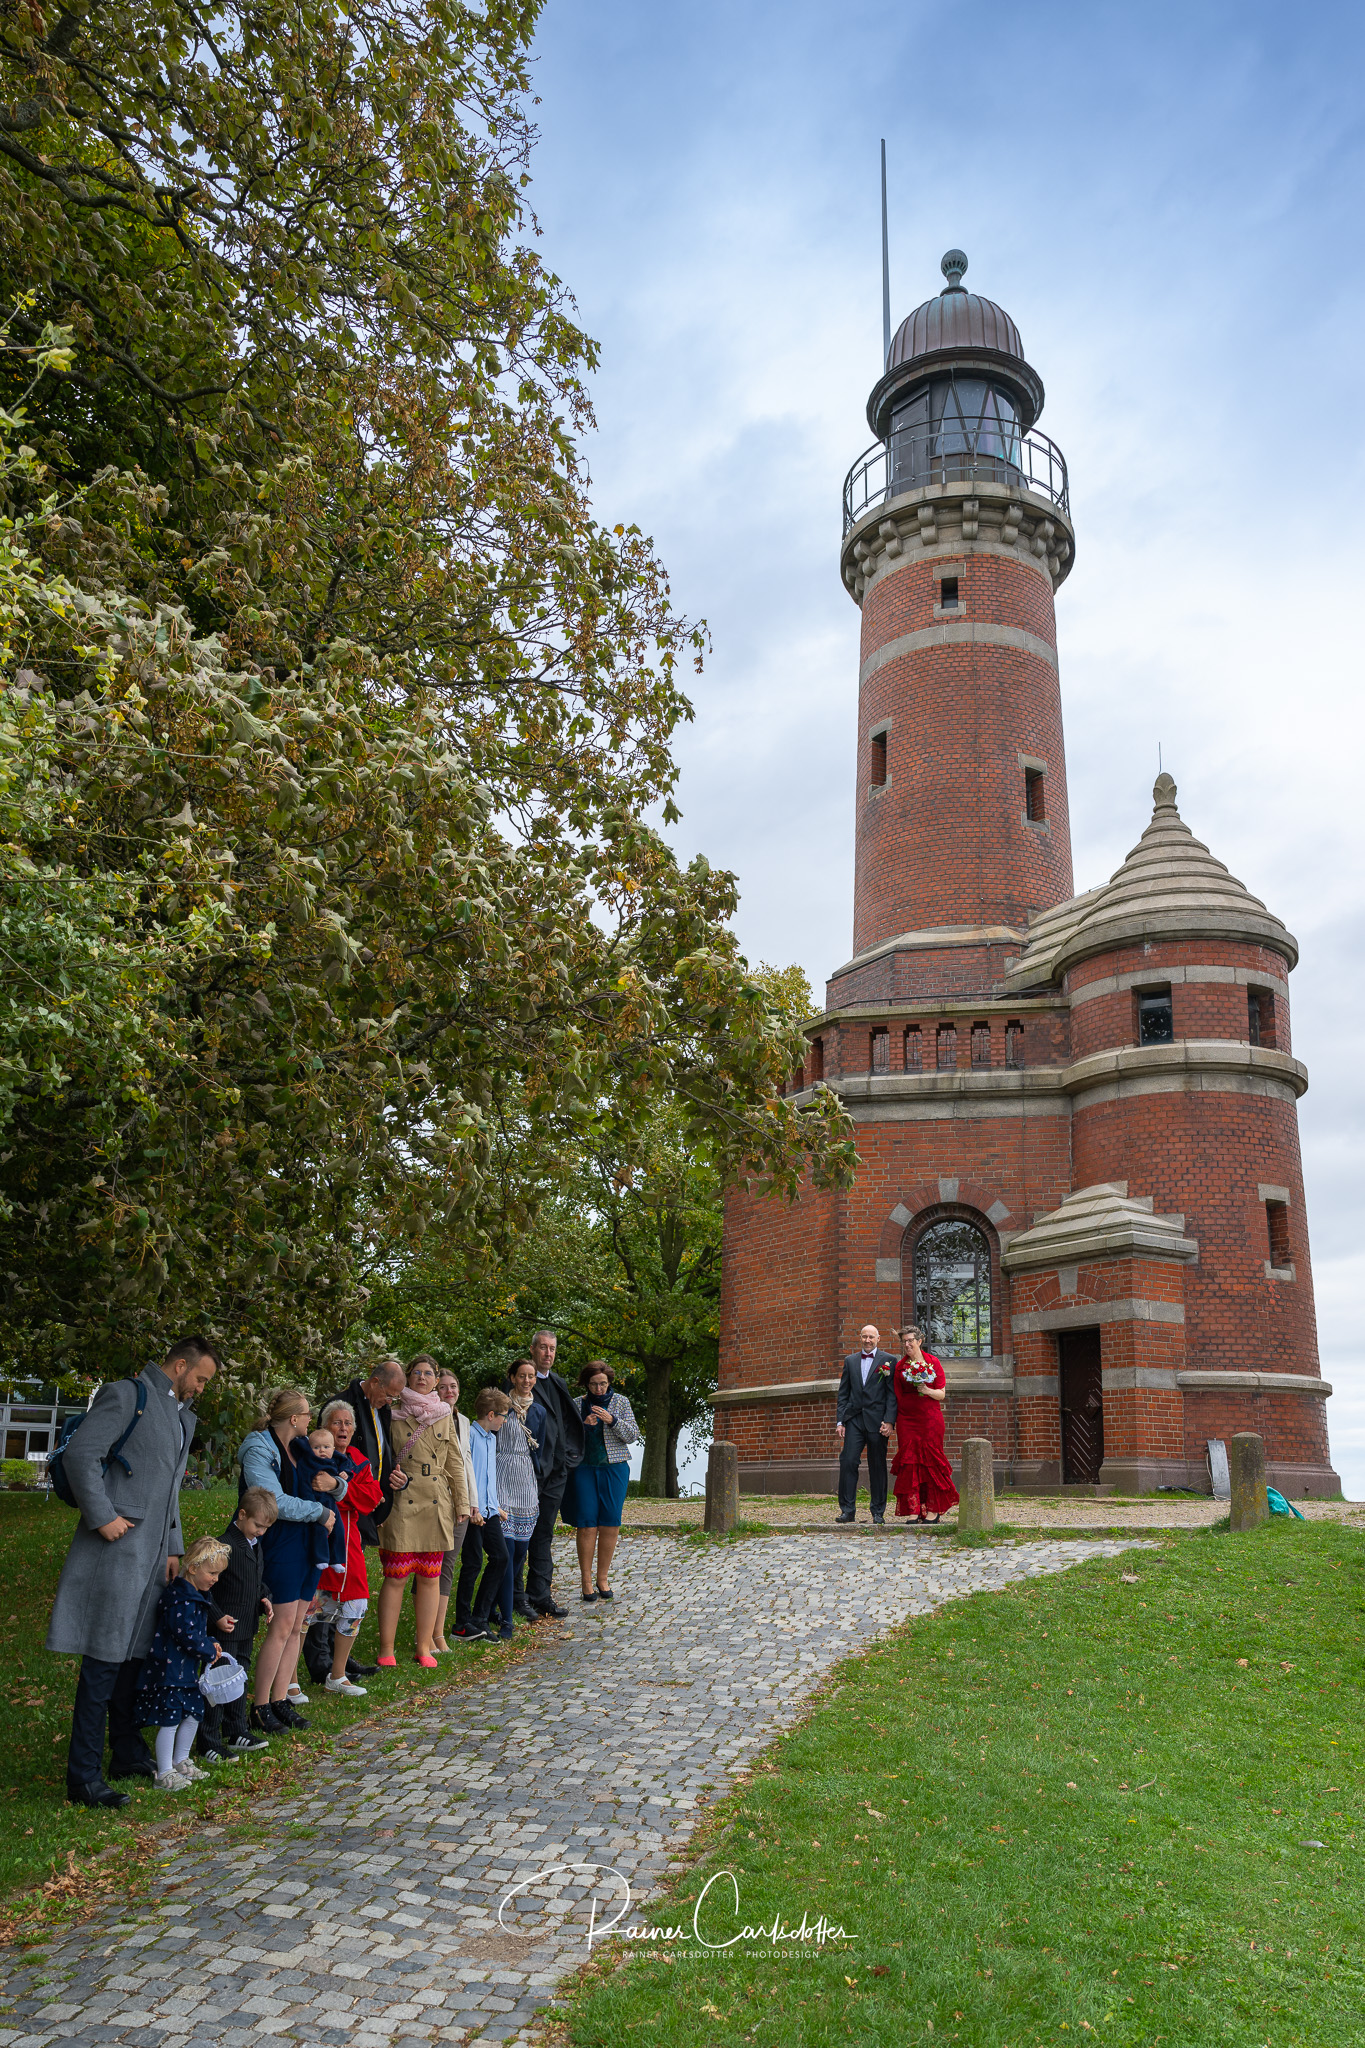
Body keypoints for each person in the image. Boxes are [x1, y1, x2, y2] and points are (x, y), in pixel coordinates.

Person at [48, 1334, 218, 1809]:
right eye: (200, 1378)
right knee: (103, 1661)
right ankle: (82, 1776)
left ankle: (125, 1753)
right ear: (180, 1365)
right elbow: (83, 1454)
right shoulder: (127, 1394)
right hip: (116, 1549)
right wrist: (102, 1516)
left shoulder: (179, 1415)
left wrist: (174, 1547)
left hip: (152, 1556)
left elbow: (169, 1493)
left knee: (133, 1660)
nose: (201, 1389)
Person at [237, 1388, 346, 1733]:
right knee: (281, 1626)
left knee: (298, 1624)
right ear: (294, 1418)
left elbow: (334, 1477)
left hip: (307, 1544)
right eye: (307, 1413)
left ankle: (281, 1699)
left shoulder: (301, 1448)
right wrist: (318, 1511)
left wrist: (335, 1489)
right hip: (280, 1543)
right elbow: (273, 1500)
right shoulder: (261, 1447)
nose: (311, 1420)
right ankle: (260, 1705)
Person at [375, 1357, 471, 1667]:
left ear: (435, 1381)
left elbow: (455, 1461)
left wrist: (462, 1502)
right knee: (396, 1577)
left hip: (435, 1501)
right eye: (415, 1372)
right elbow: (379, 1457)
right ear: (405, 1379)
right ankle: (386, 1649)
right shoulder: (389, 1414)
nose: (421, 1377)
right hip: (401, 1501)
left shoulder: (445, 1415)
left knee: (431, 1577)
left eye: (428, 1373)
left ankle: (424, 1647)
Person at [134, 1535, 232, 1789]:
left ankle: (181, 1760)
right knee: (171, 1719)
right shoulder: (181, 1599)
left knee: (193, 1715)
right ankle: (164, 1771)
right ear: (193, 1568)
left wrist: (209, 1640)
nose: (215, 1579)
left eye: (218, 1574)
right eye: (212, 1573)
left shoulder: (196, 1596)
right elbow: (186, 1634)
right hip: (171, 1670)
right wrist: (207, 1649)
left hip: (186, 1671)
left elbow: (195, 1631)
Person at [313, 1399, 387, 1695]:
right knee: (306, 1609)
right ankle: (290, 1683)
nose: (342, 1428)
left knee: (356, 1603)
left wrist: (337, 1488)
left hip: (349, 1539)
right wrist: (342, 1492)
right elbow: (315, 1489)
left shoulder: (358, 1457)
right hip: (317, 1538)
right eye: (336, 1422)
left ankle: (338, 1673)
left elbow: (371, 1497)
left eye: (347, 1423)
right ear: (325, 1428)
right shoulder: (315, 1456)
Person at [199, 1487, 277, 1759]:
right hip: (223, 1630)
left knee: (238, 1682)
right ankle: (208, 1739)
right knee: (217, 1685)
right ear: (242, 1515)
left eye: (266, 1527)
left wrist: (264, 1598)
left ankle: (236, 1730)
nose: (261, 1531)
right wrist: (216, 1616)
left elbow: (255, 1582)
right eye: (258, 1525)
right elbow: (204, 1589)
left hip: (244, 1628)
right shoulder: (224, 1546)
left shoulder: (254, 1546)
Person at [562, 1362, 639, 1602]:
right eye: (594, 1384)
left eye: (603, 1383)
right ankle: (586, 1581)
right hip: (584, 1469)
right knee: (586, 1524)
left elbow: (633, 1435)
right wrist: (584, 1427)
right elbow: (565, 1438)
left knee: (610, 1523)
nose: (599, 1388)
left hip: (614, 1469)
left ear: (609, 1382)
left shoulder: (621, 1402)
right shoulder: (576, 1404)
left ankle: (602, 1578)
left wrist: (612, 1420)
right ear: (587, 1383)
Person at [523, 1329, 583, 1619]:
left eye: (553, 1349)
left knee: (545, 1533)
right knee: (521, 1535)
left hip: (558, 1472)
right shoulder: (520, 1381)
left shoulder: (558, 1383)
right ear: (533, 1349)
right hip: (529, 1472)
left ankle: (540, 1595)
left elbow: (569, 1422)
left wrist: (569, 1458)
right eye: (543, 1348)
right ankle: (514, 1598)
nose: (548, 1353)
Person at [319, 1357, 406, 1545]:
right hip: (343, 1507)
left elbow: (381, 1452)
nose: (390, 1401)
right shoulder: (341, 1405)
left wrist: (397, 1478)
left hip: (370, 1504)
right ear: (375, 1382)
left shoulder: (382, 1408)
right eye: (389, 1394)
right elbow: (323, 1454)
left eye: (395, 1397)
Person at [454, 1388, 512, 1642]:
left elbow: (488, 1476)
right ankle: (462, 1622)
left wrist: (495, 1505)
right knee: (473, 1563)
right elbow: (469, 1474)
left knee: (500, 1558)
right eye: (503, 1416)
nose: (505, 1420)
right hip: (473, 1512)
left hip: (488, 1510)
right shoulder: (472, 1437)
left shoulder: (491, 1437)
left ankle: (481, 1617)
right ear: (490, 1414)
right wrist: (471, 1507)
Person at [889, 1325, 960, 1524]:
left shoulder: (933, 1362)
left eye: (910, 1340)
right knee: (910, 1463)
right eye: (904, 1341)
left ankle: (933, 1509)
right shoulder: (900, 1367)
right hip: (907, 1420)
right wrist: (893, 1420)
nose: (907, 1344)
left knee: (930, 1463)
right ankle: (913, 1509)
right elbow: (897, 1395)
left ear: (920, 1341)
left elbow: (942, 1394)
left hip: (929, 1419)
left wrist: (926, 1390)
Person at [497, 1359, 546, 1623]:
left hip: (525, 1476)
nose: (526, 1381)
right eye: (522, 1376)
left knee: (521, 1548)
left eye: (531, 1377)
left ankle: (510, 1599)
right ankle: (501, 1602)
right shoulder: (501, 1405)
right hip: (502, 1472)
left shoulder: (538, 1411)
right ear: (513, 1377)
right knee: (506, 1548)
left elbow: (541, 1446)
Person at [432, 1366, 476, 1654]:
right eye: (443, 1386)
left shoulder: (464, 1421)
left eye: (453, 1386)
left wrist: (473, 1501)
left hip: (461, 1501)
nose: (450, 1391)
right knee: (429, 1566)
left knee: (448, 1564)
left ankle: (438, 1632)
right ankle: (427, 1633)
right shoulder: (430, 1417)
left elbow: (466, 1463)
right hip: (436, 1500)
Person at [834, 1323, 896, 1525]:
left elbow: (892, 1395)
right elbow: (843, 1394)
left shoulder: (888, 1361)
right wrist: (841, 1421)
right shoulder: (850, 1361)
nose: (867, 1340)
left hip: (878, 1422)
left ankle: (878, 1512)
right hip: (854, 1420)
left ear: (878, 1339)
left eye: (871, 1337)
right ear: (860, 1338)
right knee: (848, 1461)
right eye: (864, 1337)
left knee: (877, 1466)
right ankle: (847, 1510)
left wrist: (889, 1421)